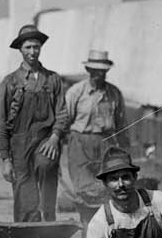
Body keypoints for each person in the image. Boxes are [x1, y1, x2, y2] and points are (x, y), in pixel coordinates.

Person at [0, 23, 69, 238]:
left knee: (47, 178)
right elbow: (1, 123)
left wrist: (56, 136)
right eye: (28, 46)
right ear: (20, 49)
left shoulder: (53, 79)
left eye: (36, 46)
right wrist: (5, 160)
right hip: (18, 146)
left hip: (45, 141)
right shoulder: (10, 82)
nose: (33, 51)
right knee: (25, 199)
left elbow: (62, 113)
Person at [50, 47, 128, 217]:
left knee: (108, 192)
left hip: (106, 145)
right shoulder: (76, 92)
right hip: (80, 144)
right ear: (88, 70)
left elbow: (122, 127)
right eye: (95, 71)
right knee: (84, 194)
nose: (99, 74)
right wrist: (55, 148)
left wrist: (125, 156)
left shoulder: (114, 93)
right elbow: (63, 122)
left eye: (103, 71)